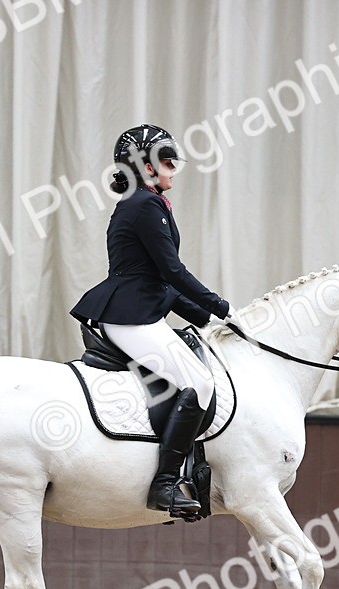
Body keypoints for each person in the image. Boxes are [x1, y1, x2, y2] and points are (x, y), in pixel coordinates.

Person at [70, 124, 237, 515]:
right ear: (145, 166)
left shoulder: (144, 202)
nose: (174, 169)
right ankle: (164, 484)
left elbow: (161, 281)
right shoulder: (143, 205)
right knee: (199, 383)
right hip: (131, 318)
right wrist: (222, 307)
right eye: (167, 162)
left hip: (139, 310)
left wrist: (207, 318)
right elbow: (173, 272)